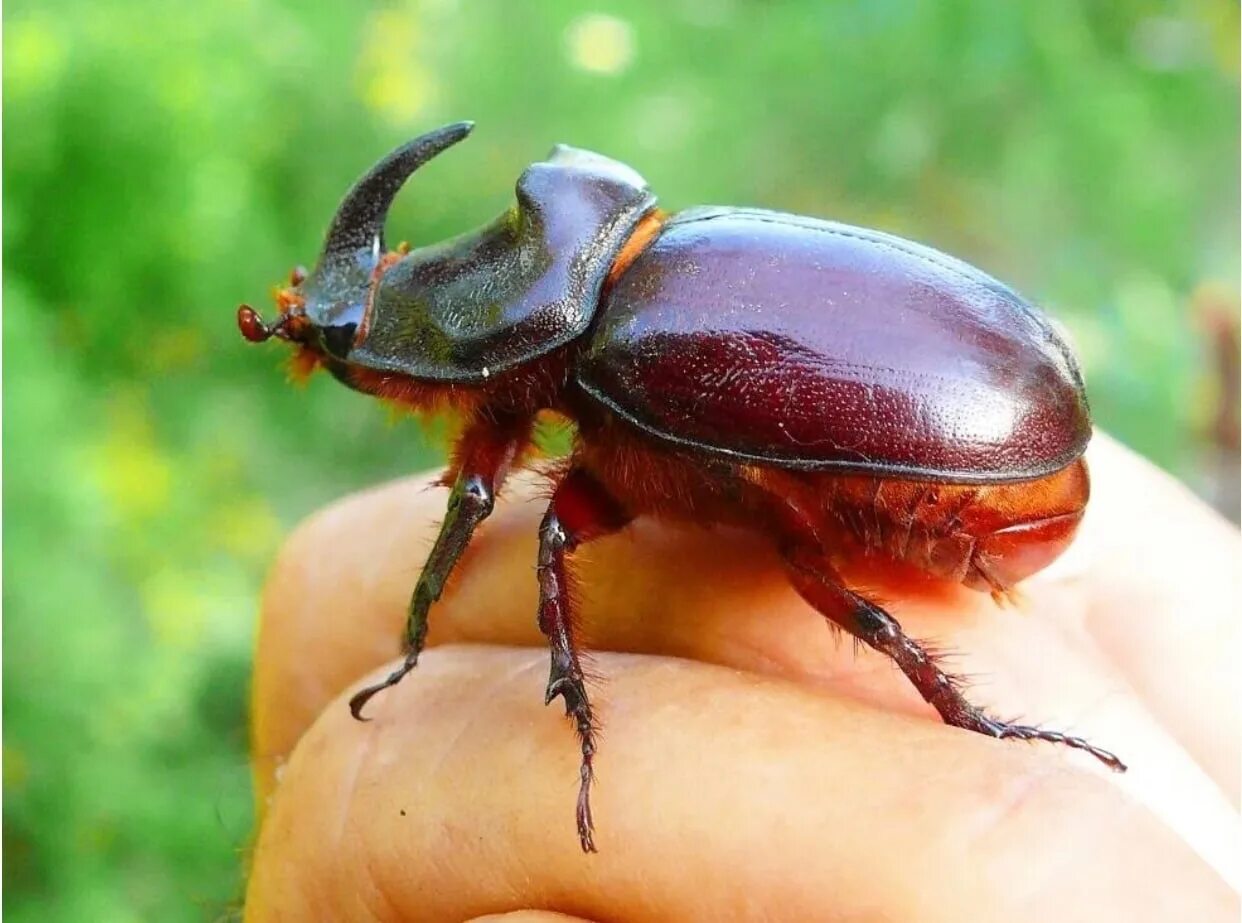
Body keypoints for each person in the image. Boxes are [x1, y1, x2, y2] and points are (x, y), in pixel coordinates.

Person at [244, 434, 1238, 921]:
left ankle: (974, 713)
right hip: (981, 455)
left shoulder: (627, 359)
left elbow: (479, 498)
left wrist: (421, 631)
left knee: (804, 579)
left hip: (974, 474)